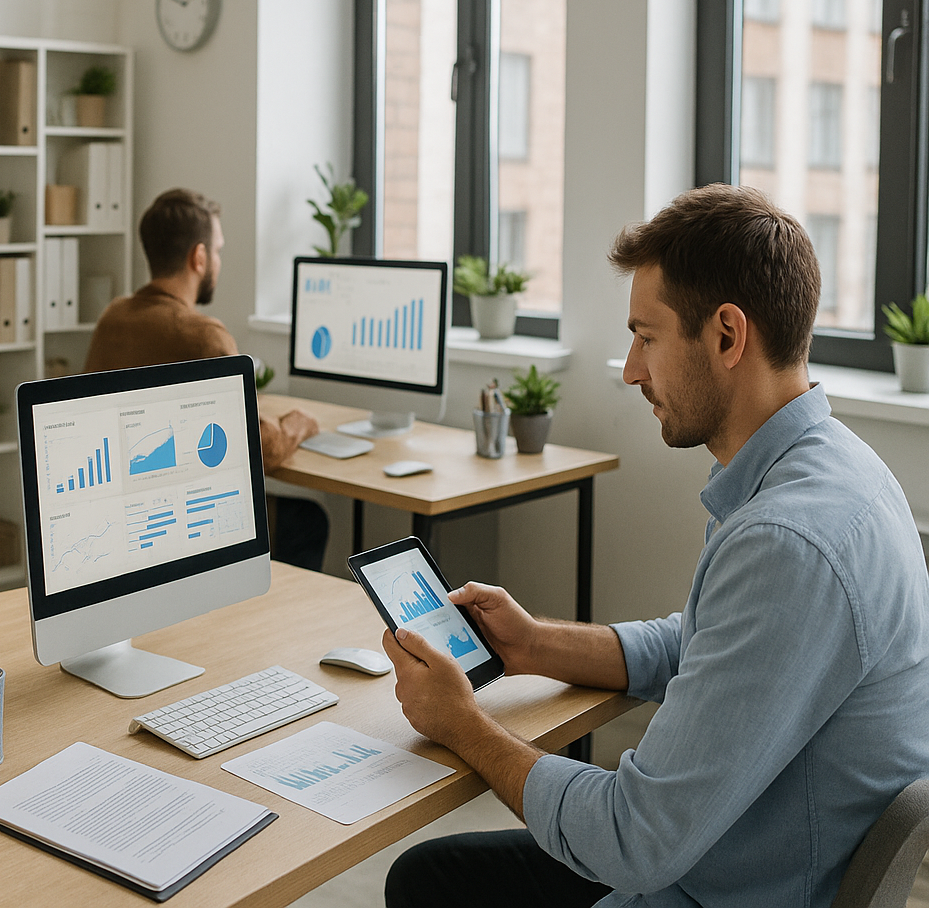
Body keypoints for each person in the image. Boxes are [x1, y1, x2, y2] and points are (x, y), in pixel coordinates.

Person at [382, 184, 929, 907]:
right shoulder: (835, 469)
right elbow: (706, 648)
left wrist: (463, 724)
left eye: (647, 337)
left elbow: (630, 840)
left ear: (728, 336)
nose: (633, 370)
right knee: (430, 878)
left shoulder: (787, 542)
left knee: (431, 885)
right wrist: (534, 644)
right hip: (736, 850)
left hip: (716, 885)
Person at [84, 187, 329, 569]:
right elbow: (260, 450)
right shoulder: (202, 335)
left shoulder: (113, 316)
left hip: (119, 517)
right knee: (309, 521)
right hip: (182, 521)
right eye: (216, 250)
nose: (217, 260)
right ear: (198, 257)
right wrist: (298, 423)